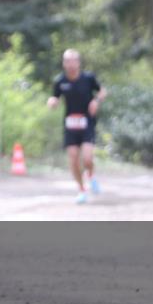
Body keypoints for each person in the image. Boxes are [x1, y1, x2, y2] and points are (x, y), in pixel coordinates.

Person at [47, 49, 106, 204]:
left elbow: (102, 92)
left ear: (79, 62)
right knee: (73, 159)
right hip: (70, 125)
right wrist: (52, 102)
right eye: (67, 61)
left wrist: (96, 102)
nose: (71, 64)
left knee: (87, 159)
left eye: (73, 60)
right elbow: (55, 96)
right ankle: (81, 190)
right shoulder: (60, 81)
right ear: (64, 63)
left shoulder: (88, 78)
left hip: (87, 123)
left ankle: (91, 176)